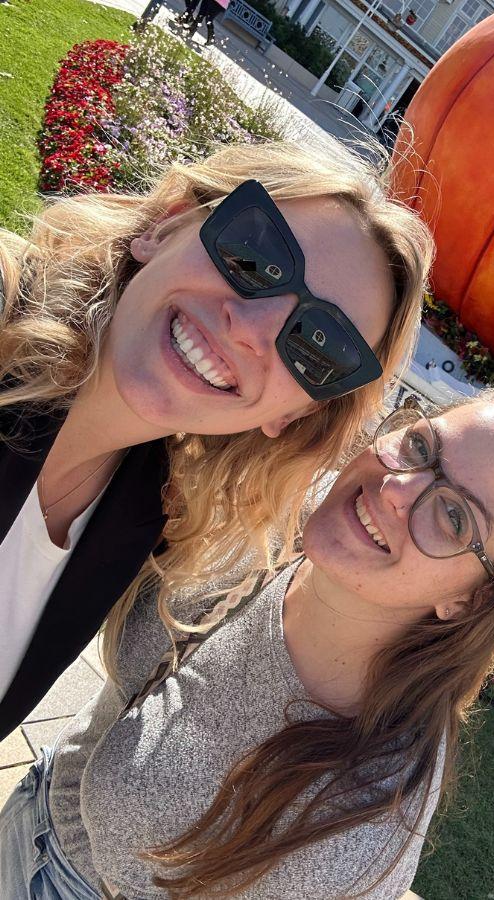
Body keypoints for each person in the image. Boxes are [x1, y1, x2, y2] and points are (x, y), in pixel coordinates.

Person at [0, 386, 494, 898]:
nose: (399, 487)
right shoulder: (280, 515)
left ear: (473, 599)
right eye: (422, 445)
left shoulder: (350, 832)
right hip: (35, 804)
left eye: (454, 516)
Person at [0, 137, 433, 738]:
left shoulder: (139, 517)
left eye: (317, 345)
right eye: (252, 257)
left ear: (293, 415)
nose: (252, 329)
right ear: (165, 223)